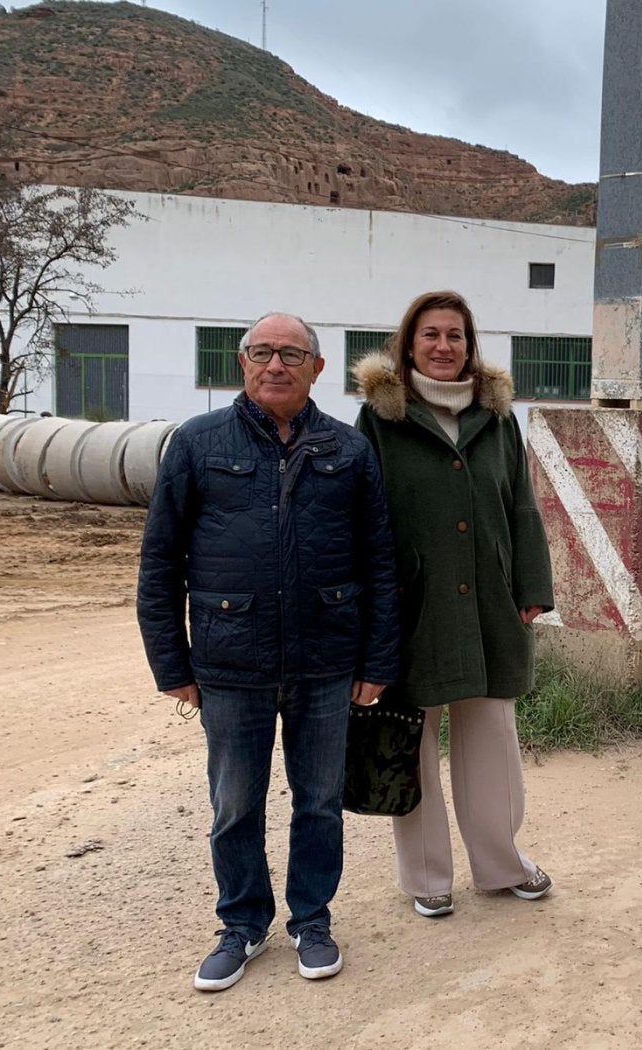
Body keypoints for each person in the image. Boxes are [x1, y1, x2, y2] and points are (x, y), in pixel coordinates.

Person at [137, 312, 400, 990]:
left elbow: (380, 562)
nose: (275, 365)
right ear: (242, 362)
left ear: (317, 368)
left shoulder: (349, 449)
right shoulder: (196, 444)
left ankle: (312, 920)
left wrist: (377, 661)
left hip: (326, 661)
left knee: (319, 802)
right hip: (231, 663)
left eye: (291, 353)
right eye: (262, 352)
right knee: (235, 806)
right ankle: (242, 924)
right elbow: (161, 561)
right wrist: (171, 664)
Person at [353, 290, 556, 919]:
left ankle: (502, 864)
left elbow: (521, 504)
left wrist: (531, 586)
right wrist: (371, 608)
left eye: (455, 335)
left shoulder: (498, 418)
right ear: (407, 345)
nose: (443, 346)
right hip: (412, 608)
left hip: (491, 603)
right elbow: (362, 519)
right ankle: (426, 876)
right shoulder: (379, 421)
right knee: (412, 741)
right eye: (430, 335)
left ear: (470, 346)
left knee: (493, 740)